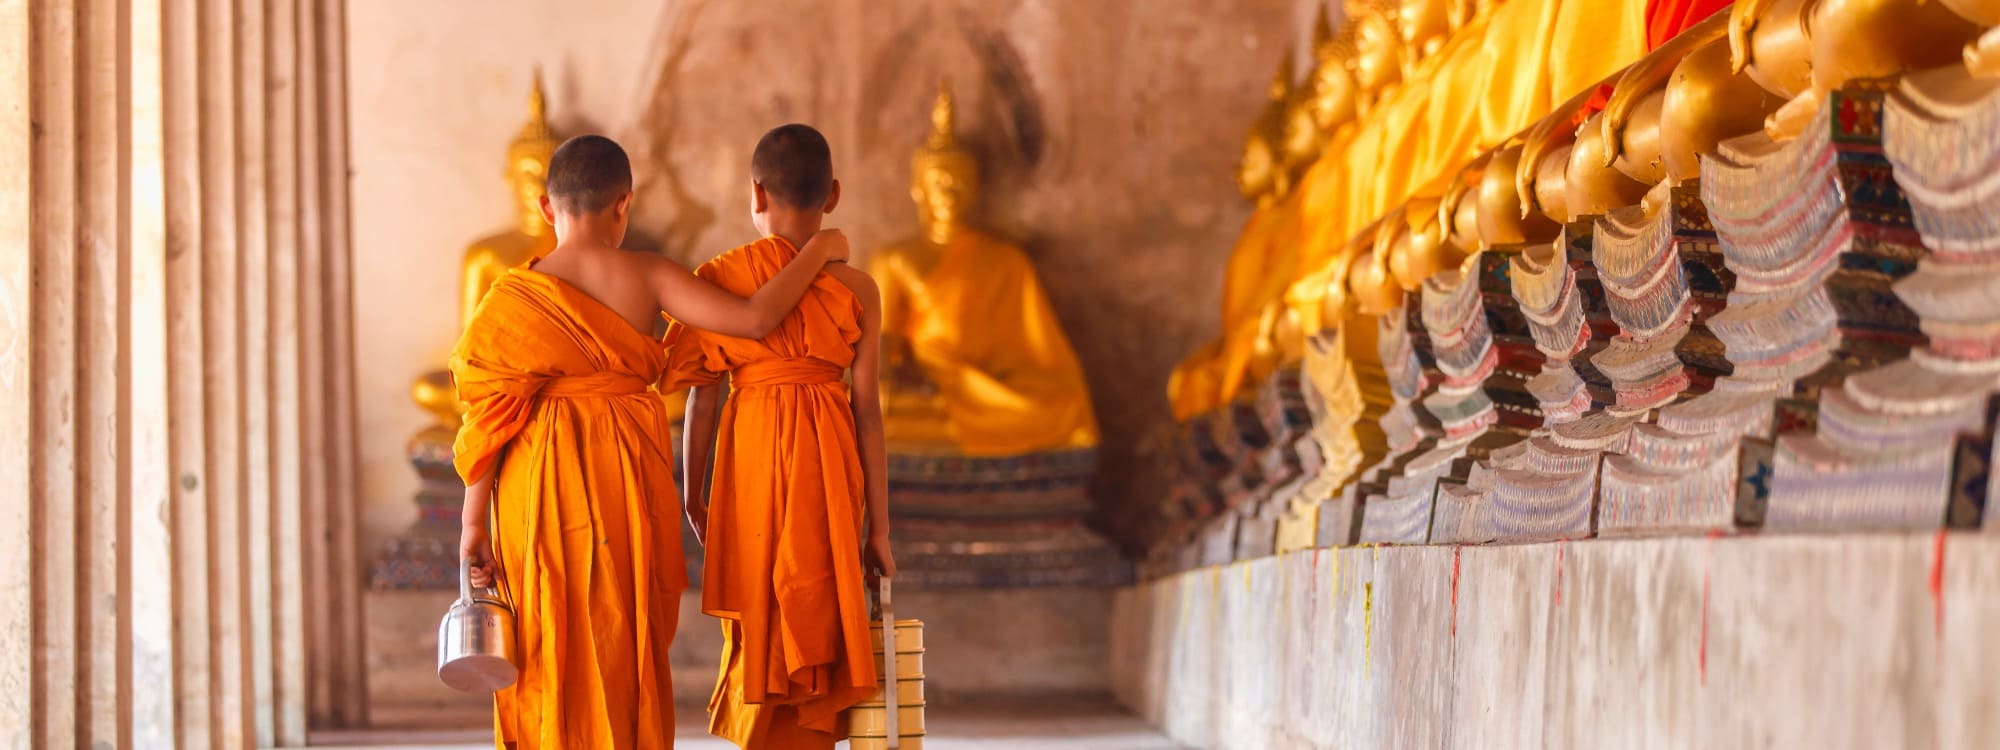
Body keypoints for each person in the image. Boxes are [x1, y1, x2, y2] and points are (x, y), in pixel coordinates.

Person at [452, 134, 851, 749]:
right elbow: (753, 321)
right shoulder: (651, 274)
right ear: (624, 205)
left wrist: (471, 524)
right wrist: (820, 249)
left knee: (545, 628)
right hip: (623, 478)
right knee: (623, 628)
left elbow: (489, 419)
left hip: (534, 487)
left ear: (545, 208)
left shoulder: (509, 300)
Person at [669, 123, 895, 750]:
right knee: (817, 598)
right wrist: (880, 528)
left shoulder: (722, 277)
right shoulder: (858, 289)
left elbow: (702, 396)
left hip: (751, 461)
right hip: (830, 460)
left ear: (756, 194)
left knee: (765, 606)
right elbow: (869, 410)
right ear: (834, 194)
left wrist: (693, 491)